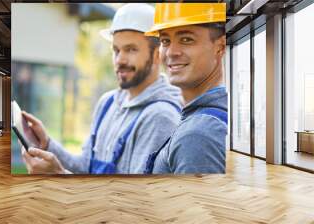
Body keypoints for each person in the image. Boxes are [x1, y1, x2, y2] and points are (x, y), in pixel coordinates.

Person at [20, 3, 182, 174]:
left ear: (157, 55)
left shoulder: (160, 117)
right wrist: (47, 144)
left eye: (131, 50)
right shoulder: (108, 103)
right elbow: (85, 167)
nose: (120, 60)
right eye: (116, 50)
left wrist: (59, 175)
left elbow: (136, 197)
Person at [143, 3, 228, 174]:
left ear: (220, 46)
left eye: (186, 39)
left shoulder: (198, 135)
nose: (171, 52)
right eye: (165, 41)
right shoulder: (208, 118)